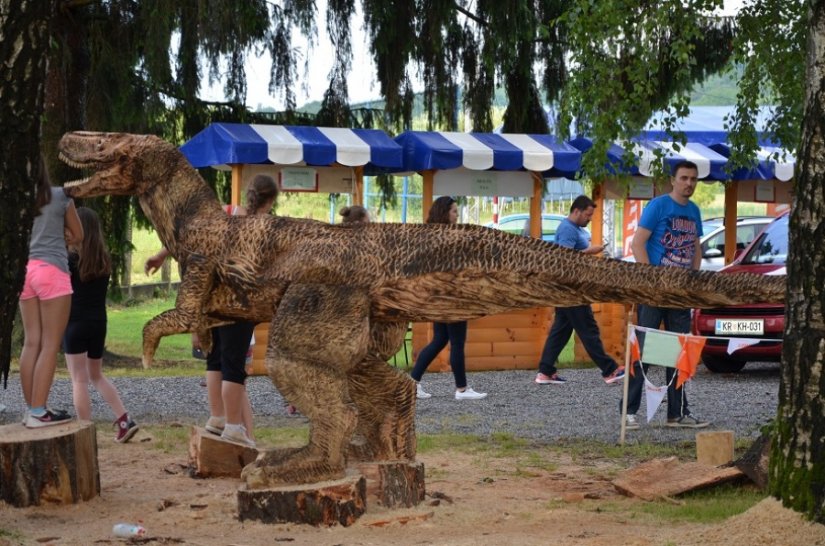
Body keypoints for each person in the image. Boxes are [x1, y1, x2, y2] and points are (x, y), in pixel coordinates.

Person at [145, 174, 279, 447]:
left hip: (210, 300)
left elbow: (190, 236)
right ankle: (232, 426)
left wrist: (160, 255)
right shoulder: (262, 228)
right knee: (233, 366)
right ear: (270, 202)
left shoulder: (225, 212)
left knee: (214, 359)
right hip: (238, 304)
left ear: (249, 193)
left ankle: (217, 418)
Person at [624, 160, 710, 430]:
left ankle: (677, 413)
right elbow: (637, 243)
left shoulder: (694, 211)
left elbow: (696, 248)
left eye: (693, 179)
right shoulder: (659, 206)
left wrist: (692, 279)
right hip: (654, 292)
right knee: (644, 350)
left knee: (679, 353)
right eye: (684, 178)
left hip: (680, 294)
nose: (689, 183)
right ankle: (628, 411)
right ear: (673, 180)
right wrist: (652, 279)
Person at [63, 207, 138, 442]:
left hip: (74, 324)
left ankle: (85, 430)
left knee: (78, 379)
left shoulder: (69, 260)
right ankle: (125, 420)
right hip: (99, 324)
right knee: (96, 375)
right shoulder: (104, 260)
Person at [19, 159, 84, 427]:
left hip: (25, 272)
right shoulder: (60, 196)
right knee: (49, 343)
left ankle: (31, 408)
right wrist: (65, 237)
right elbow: (78, 234)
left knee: (31, 341)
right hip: (52, 271)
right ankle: (38, 411)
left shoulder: (18, 201)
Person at [535, 195, 625, 386]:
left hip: (570, 288)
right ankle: (609, 370)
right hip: (572, 289)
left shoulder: (574, 228)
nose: (589, 218)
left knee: (560, 331)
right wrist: (590, 252)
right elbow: (563, 259)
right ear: (576, 211)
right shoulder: (567, 229)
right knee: (588, 328)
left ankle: (545, 371)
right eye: (588, 214)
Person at [411, 196, 487, 401]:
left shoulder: (430, 236)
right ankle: (462, 389)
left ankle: (412, 383)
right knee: (457, 342)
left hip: (438, 296)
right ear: (445, 213)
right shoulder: (449, 237)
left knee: (439, 340)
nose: (457, 214)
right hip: (452, 297)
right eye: (454, 211)